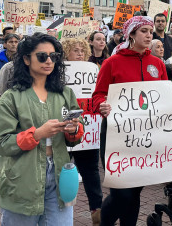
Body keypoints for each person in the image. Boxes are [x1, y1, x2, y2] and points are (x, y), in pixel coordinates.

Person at [0, 33, 82, 225]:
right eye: (42, 56)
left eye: (54, 56)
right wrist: (37, 134)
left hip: (59, 176)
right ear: (26, 59)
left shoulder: (65, 93)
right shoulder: (11, 97)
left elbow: (75, 136)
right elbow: (0, 143)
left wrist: (73, 130)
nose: (49, 61)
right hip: (22, 177)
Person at [90, 16, 168, 226]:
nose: (149, 35)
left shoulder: (158, 64)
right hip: (117, 136)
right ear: (131, 34)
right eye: (143, 31)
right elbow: (97, 95)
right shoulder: (112, 62)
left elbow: (164, 100)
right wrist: (102, 105)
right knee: (121, 193)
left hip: (145, 137)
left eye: (150, 31)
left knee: (134, 192)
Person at [61, 38, 103, 226]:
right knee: (62, 172)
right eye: (75, 50)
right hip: (64, 132)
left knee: (91, 173)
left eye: (82, 50)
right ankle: (61, 211)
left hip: (88, 132)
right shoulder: (56, 72)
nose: (79, 53)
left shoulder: (93, 70)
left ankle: (97, 212)